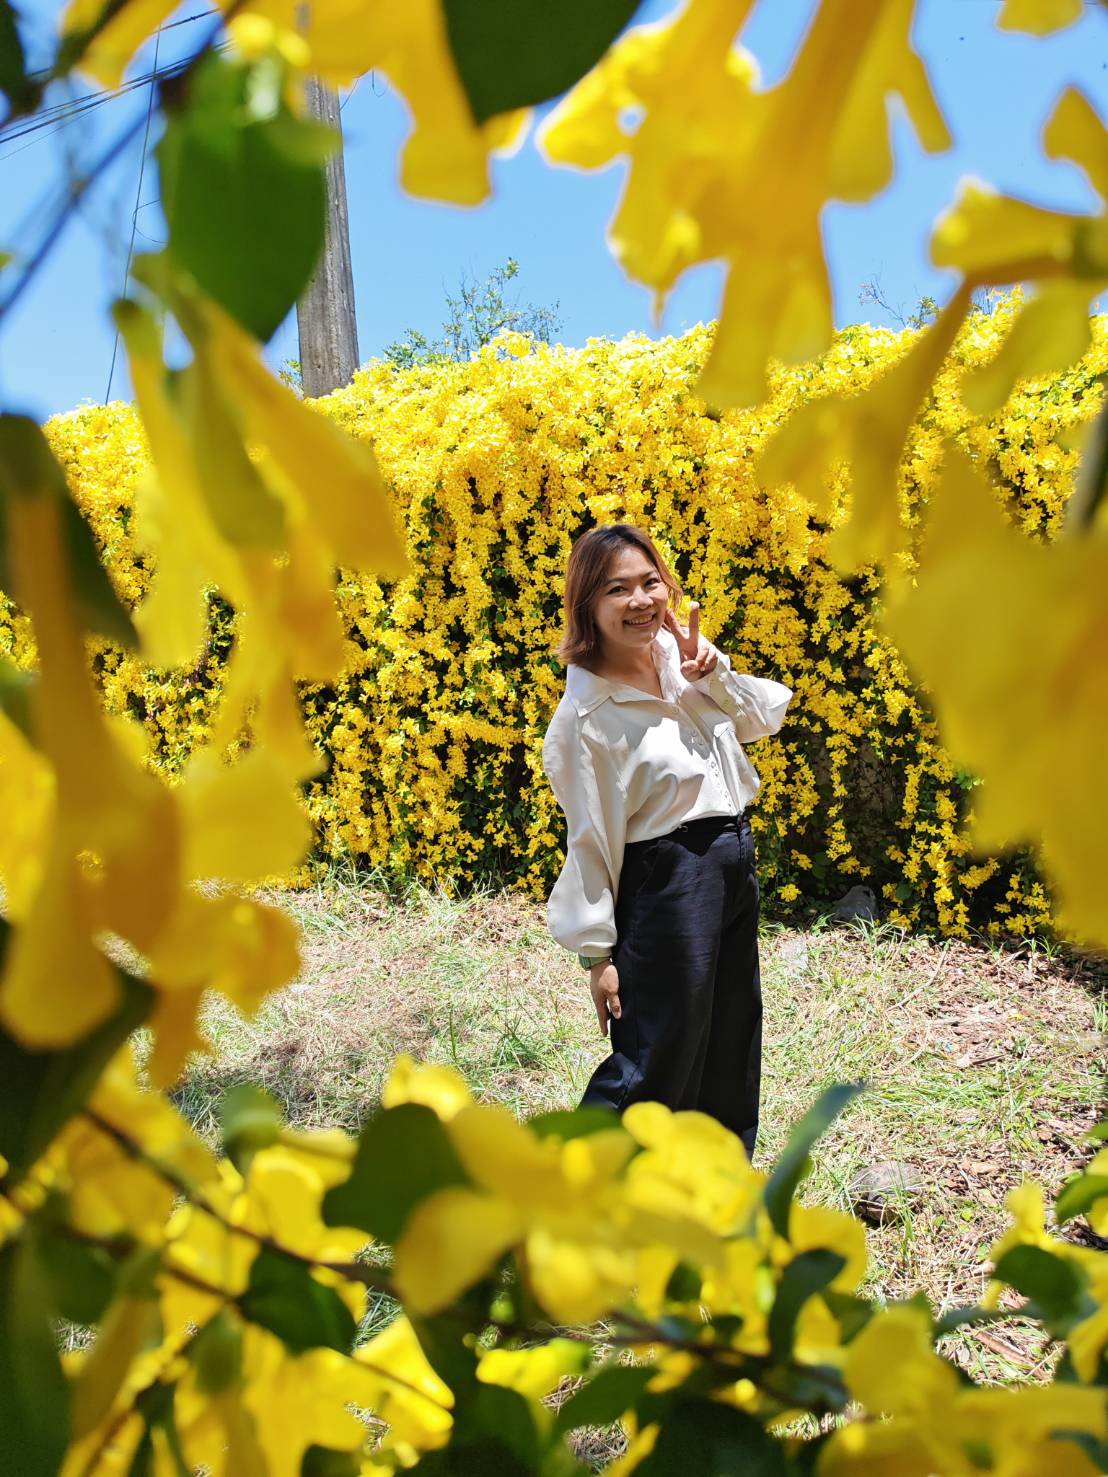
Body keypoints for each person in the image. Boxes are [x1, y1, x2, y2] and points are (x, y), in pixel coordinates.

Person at [542, 524, 792, 1157]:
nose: (640, 601)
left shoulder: (682, 662)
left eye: (650, 582)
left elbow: (763, 718)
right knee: (656, 1054)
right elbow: (591, 838)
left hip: (731, 863)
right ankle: (579, 1181)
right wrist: (598, 956)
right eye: (617, 589)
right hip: (670, 882)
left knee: (730, 1038)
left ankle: (713, 1181)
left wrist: (712, 675)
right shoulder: (586, 717)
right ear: (587, 606)